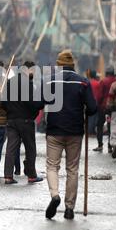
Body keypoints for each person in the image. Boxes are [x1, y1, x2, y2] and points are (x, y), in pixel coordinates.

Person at [44, 50, 97, 220]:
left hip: (54, 130)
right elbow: (93, 108)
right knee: (72, 169)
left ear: (58, 65)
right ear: (73, 65)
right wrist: (85, 110)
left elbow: (39, 102)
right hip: (75, 131)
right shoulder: (83, 82)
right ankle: (69, 208)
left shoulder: (50, 80)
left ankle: (55, 195)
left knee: (52, 166)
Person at [3, 61, 44, 185]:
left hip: (11, 120)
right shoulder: (28, 84)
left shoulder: (9, 82)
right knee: (30, 148)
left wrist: (10, 111)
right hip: (26, 120)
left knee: (11, 148)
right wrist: (41, 104)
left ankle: (8, 176)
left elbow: (3, 101)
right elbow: (33, 103)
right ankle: (31, 175)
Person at [94, 67, 116, 152]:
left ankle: (100, 145)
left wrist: (98, 104)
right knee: (111, 126)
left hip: (103, 106)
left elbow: (100, 95)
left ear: (106, 73)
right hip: (113, 107)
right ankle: (110, 146)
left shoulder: (103, 81)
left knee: (99, 125)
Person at [88, 70, 101, 136]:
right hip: (96, 102)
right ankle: (92, 131)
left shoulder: (88, 83)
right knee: (95, 118)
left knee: (90, 118)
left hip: (89, 102)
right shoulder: (98, 83)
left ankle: (89, 131)